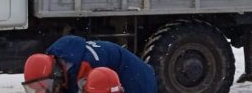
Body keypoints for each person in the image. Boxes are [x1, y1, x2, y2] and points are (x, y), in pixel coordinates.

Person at [21, 35, 157, 93]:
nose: (42, 90)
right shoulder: (61, 62)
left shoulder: (87, 68)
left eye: (46, 86)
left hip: (137, 79)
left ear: (57, 74)